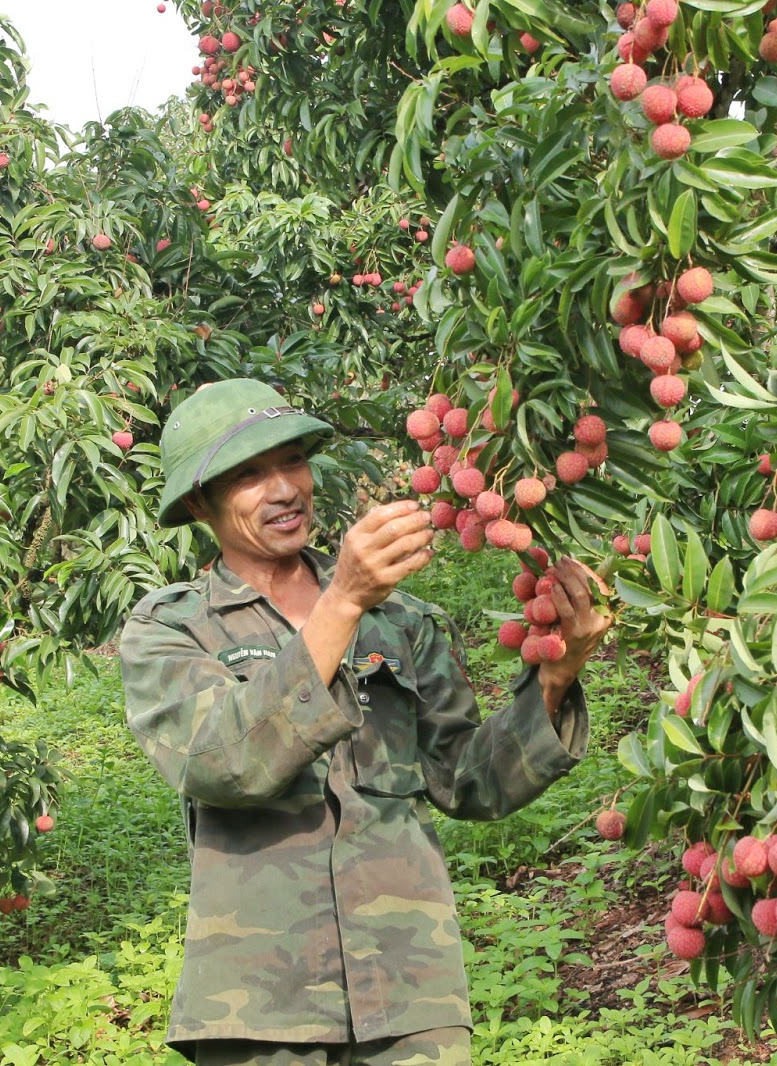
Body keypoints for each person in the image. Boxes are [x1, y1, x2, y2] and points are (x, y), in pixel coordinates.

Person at [119, 378, 611, 1066]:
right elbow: (219, 762)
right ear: (199, 502)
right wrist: (343, 600)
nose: (285, 488)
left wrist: (556, 679)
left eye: (292, 461)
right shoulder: (170, 628)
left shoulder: (402, 619)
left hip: (411, 993)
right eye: (250, 474)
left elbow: (469, 782)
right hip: (262, 1007)